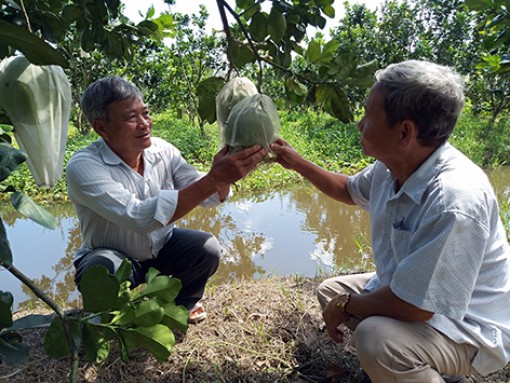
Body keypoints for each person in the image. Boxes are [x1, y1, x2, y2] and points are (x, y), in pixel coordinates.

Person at [270, 60, 510, 382]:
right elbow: (348, 189)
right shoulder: (391, 167)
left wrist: (346, 306)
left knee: (375, 339)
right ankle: (427, 366)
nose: (360, 123)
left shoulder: (455, 198)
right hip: (424, 299)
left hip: (467, 324)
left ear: (405, 132)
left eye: (368, 115)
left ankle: (435, 368)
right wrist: (297, 162)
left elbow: (416, 307)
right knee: (331, 291)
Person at [66, 76, 267, 323]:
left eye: (146, 113)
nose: (145, 124)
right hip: (114, 256)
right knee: (101, 269)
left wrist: (224, 175)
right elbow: (138, 216)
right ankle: (109, 314)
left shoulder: (163, 150)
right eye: (131, 118)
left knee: (206, 248)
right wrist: (214, 178)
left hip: (163, 250)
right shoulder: (84, 166)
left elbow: (206, 194)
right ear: (101, 128)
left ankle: (182, 303)